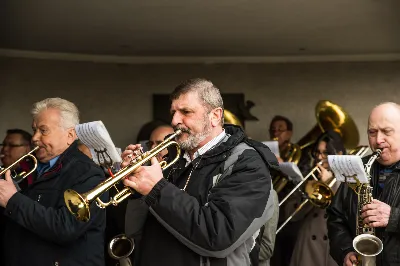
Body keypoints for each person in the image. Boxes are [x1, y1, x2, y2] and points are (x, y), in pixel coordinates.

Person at [121, 78, 278, 266]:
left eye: (185, 112)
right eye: (173, 112)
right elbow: (134, 230)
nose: (174, 121)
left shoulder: (248, 163)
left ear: (215, 116)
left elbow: (218, 236)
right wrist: (136, 183)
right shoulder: (172, 156)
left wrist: (157, 189)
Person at [0, 97, 108, 266]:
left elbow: (65, 227)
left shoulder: (88, 173)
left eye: (43, 131)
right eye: (34, 130)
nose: (34, 137)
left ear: (70, 135)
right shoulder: (30, 169)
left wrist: (13, 200)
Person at [327, 102, 400, 266]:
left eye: (387, 132)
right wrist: (345, 251)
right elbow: (336, 217)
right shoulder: (356, 167)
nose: (378, 140)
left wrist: (394, 217)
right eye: (372, 132)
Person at [289, 130, 345, 266]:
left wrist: (331, 183)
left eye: (325, 153)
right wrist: (309, 190)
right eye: (317, 152)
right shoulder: (309, 177)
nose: (320, 157)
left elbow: (349, 211)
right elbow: (292, 215)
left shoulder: (350, 178)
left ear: (339, 154)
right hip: (307, 247)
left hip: (333, 248)